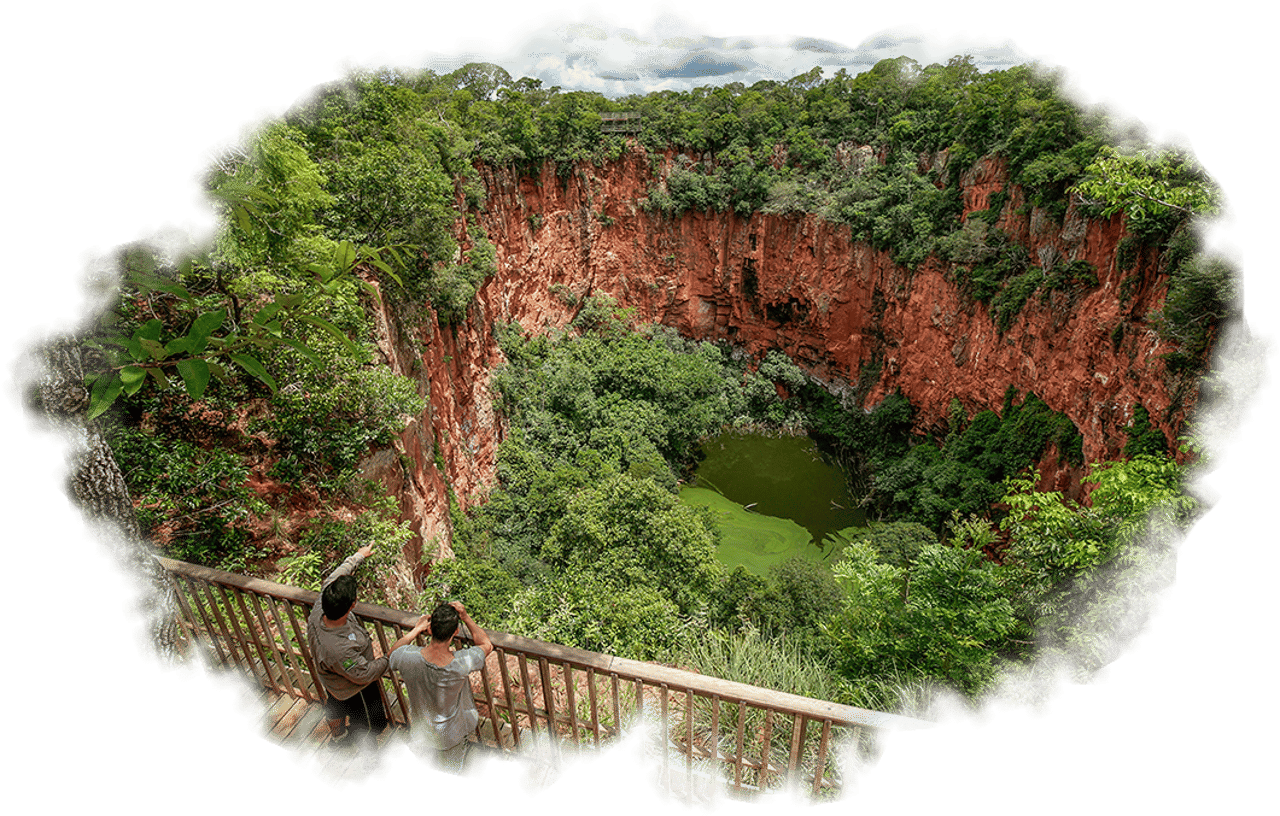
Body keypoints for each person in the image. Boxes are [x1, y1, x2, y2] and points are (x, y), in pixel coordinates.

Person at [307, 544, 429, 772]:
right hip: (354, 689)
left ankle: (337, 738)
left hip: (331, 681)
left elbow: (335, 576)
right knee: (369, 724)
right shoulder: (340, 648)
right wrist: (412, 634)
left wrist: (358, 556)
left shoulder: (320, 609)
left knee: (334, 707)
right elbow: (365, 674)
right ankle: (370, 757)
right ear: (351, 605)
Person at [389, 600, 494, 774]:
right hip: (451, 733)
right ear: (456, 632)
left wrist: (416, 629)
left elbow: (392, 653)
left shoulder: (407, 657)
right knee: (451, 768)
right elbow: (486, 645)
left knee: (425, 757)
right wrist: (465, 616)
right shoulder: (462, 662)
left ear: (429, 629)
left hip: (421, 726)